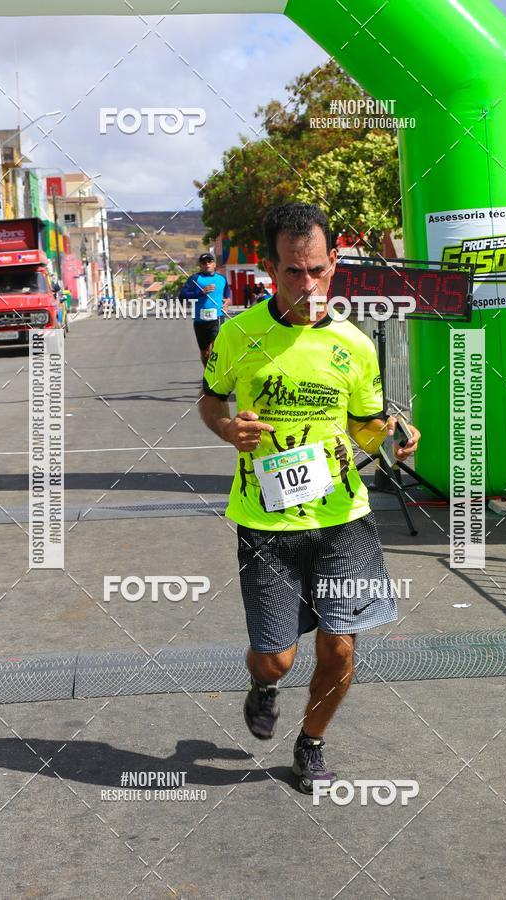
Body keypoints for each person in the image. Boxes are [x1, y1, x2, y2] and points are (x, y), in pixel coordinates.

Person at [199, 202, 420, 795]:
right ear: (270, 268)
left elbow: (366, 424)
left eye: (318, 270)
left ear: (334, 266)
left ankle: (310, 743)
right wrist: (227, 430)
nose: (308, 284)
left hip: (342, 516)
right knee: (277, 657)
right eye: (294, 272)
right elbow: (209, 400)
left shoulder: (354, 345)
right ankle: (264, 684)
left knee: (340, 642)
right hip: (264, 521)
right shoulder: (238, 334)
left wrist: (392, 433)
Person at [179, 252, 231, 367]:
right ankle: (208, 373)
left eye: (209, 261)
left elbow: (227, 293)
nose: (207, 264)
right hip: (200, 320)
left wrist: (227, 301)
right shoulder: (195, 279)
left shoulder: (221, 278)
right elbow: (182, 296)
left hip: (217, 317)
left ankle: (216, 376)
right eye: (203, 262)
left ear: (214, 264)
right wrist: (201, 292)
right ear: (200, 265)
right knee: (205, 352)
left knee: (216, 349)